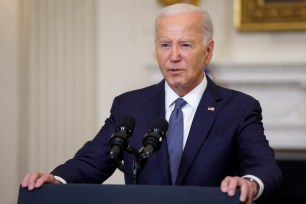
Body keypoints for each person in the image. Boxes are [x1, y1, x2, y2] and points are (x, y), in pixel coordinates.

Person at [21, 3, 282, 204]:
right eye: (165, 45)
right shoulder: (129, 106)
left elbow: (264, 166)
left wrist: (249, 183)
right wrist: (56, 179)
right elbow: (93, 161)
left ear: (208, 51)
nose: (174, 56)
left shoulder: (238, 108)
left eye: (186, 45)